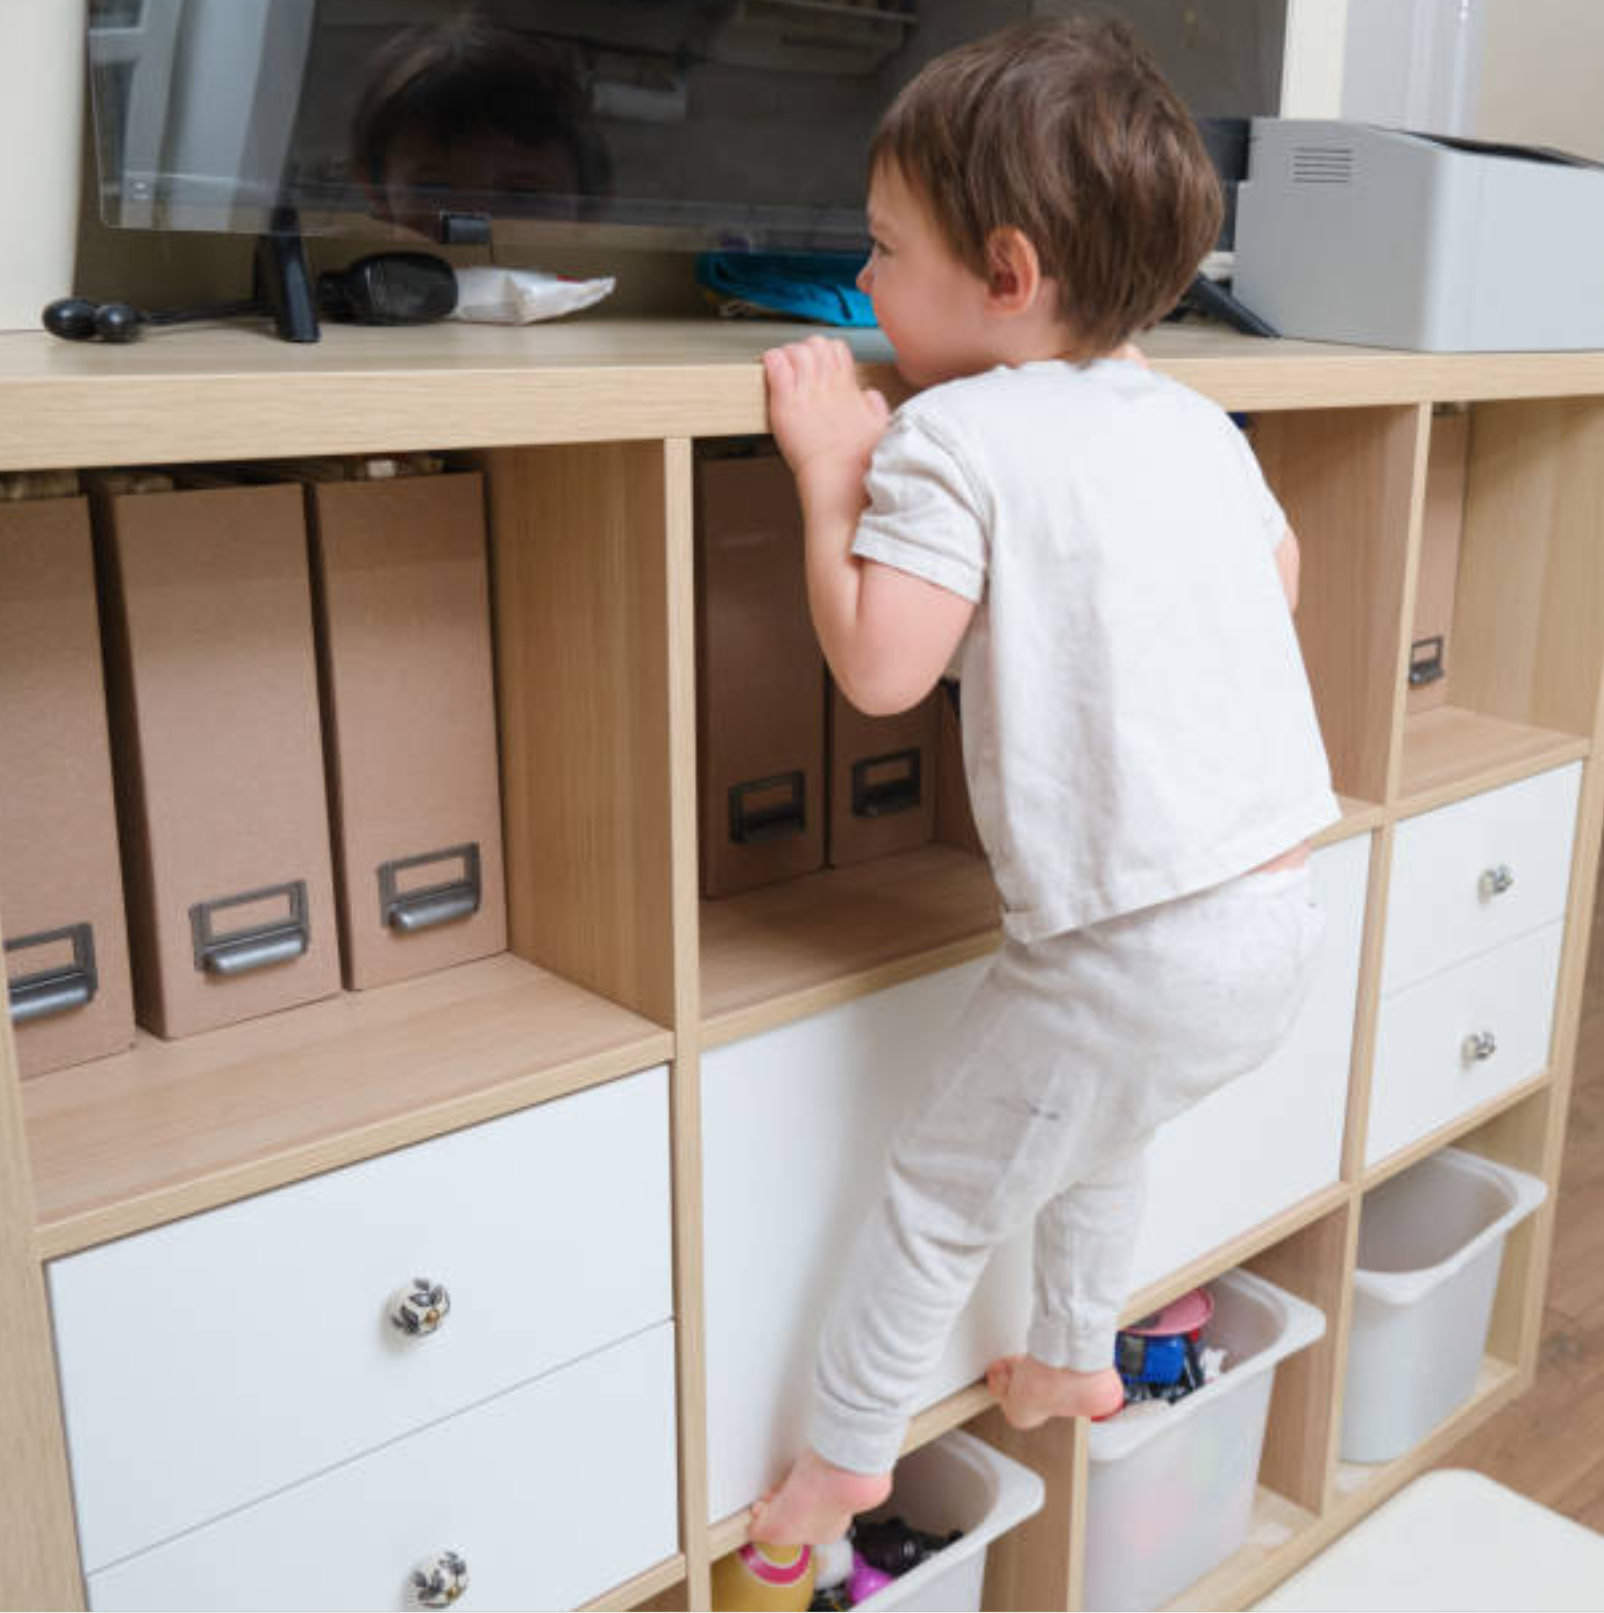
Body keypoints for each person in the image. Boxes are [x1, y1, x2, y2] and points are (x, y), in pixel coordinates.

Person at [749, 14, 1339, 1547]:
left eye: (884, 250)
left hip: (1128, 944)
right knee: (1103, 1132)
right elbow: (1279, 581)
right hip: (1278, 914)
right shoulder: (1195, 424)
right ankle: (1074, 1355)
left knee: (938, 1197)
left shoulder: (952, 437)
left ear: (1007, 274)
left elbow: (882, 668)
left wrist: (828, 475)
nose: (864, 278)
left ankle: (847, 1457)